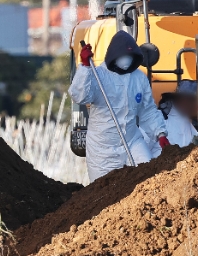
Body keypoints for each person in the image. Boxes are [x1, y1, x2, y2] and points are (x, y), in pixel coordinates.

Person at [70, 32, 169, 182]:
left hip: (132, 141)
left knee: (149, 179)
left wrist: (160, 133)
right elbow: (79, 96)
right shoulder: (98, 75)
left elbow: (147, 111)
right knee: (103, 190)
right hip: (103, 148)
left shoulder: (139, 78)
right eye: (123, 56)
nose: (126, 61)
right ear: (113, 56)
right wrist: (84, 67)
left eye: (130, 56)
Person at [145, 80, 198, 158]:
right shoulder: (157, 119)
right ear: (177, 100)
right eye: (186, 100)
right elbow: (139, 151)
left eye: (192, 101)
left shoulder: (188, 124)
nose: (189, 105)